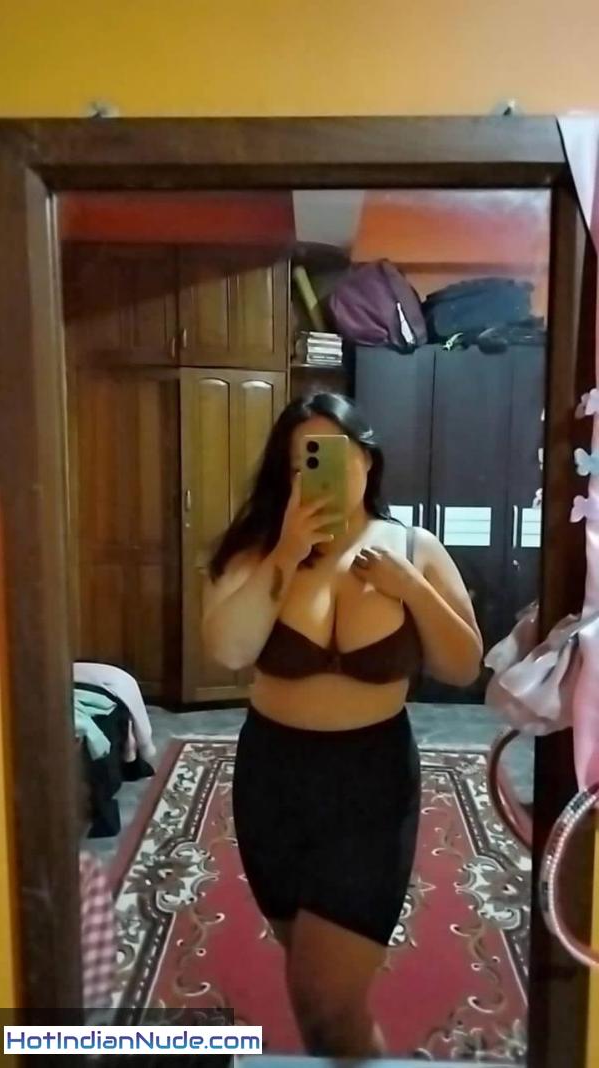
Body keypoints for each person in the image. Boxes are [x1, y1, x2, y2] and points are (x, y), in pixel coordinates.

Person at [203, 392, 482, 1058]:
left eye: (335, 452)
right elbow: (229, 650)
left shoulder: (414, 548)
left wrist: (412, 588)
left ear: (367, 459)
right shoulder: (258, 551)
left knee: (328, 1000)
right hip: (273, 782)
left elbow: (463, 665)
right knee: (313, 991)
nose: (321, 469)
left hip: (371, 787)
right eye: (304, 458)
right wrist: (286, 554)